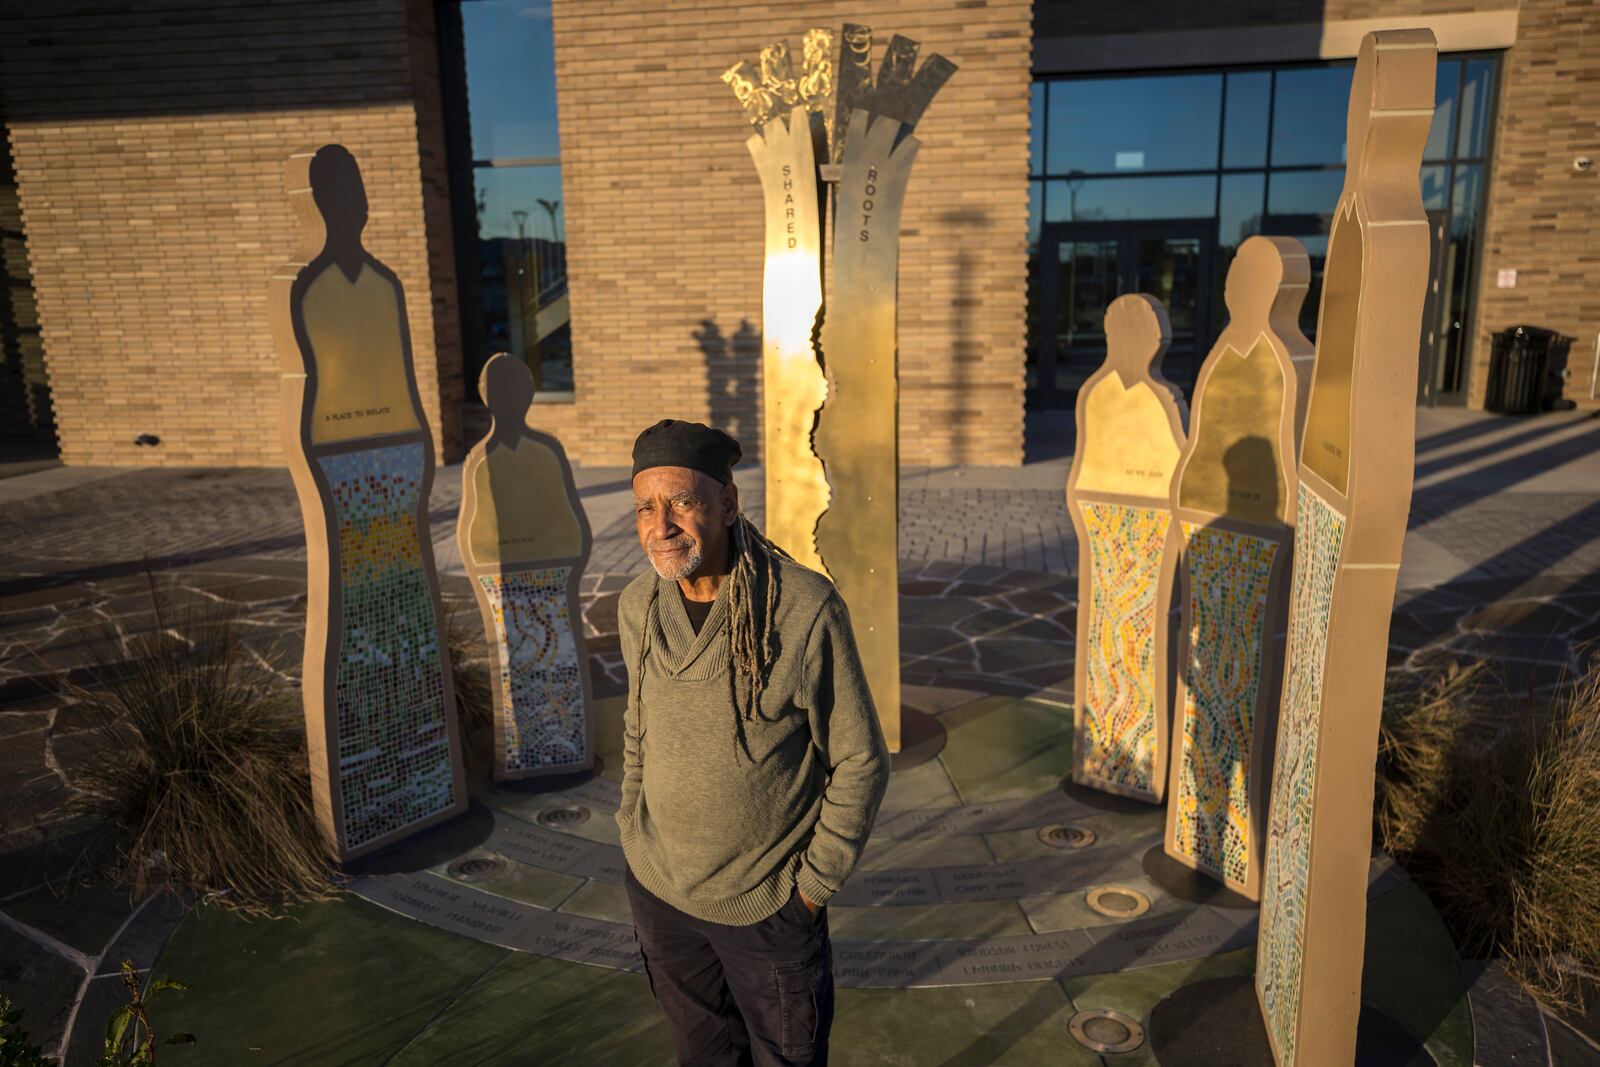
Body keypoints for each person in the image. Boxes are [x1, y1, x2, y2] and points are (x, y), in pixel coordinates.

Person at [618, 418, 889, 1067]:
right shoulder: (638, 606)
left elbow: (860, 760)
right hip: (662, 896)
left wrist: (809, 890)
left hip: (767, 910)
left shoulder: (800, 609)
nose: (662, 525)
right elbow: (637, 728)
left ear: (728, 503)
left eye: (682, 501)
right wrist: (632, 826)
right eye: (646, 508)